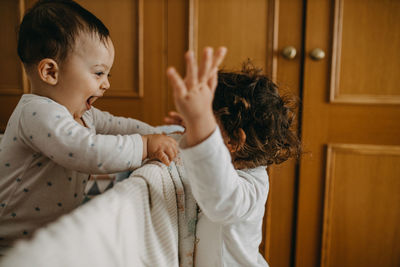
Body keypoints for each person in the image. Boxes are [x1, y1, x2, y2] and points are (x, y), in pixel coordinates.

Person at [0, 0, 178, 251]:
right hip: (9, 236)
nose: (106, 84)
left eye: (108, 75)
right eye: (98, 73)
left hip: (47, 230)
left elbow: (117, 125)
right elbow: (89, 151)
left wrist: (157, 133)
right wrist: (145, 146)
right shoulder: (36, 113)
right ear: (50, 72)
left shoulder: (82, 113)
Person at [166, 48, 301, 266]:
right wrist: (195, 130)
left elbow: (220, 199)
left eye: (208, 125)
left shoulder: (251, 187)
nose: (199, 131)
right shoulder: (235, 168)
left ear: (234, 141)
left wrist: (201, 132)